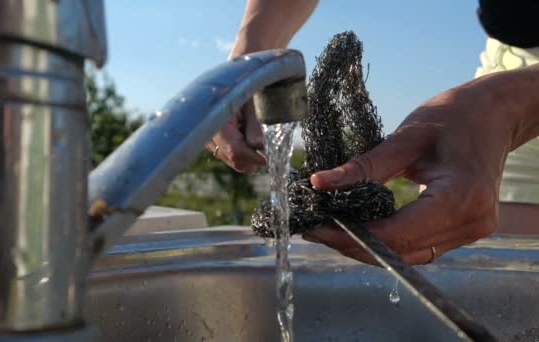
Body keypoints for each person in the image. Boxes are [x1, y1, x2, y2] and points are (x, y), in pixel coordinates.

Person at [206, 0, 539, 265]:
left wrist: (507, 105)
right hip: (510, 66)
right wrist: (250, 55)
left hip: (505, 98)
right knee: (487, 280)